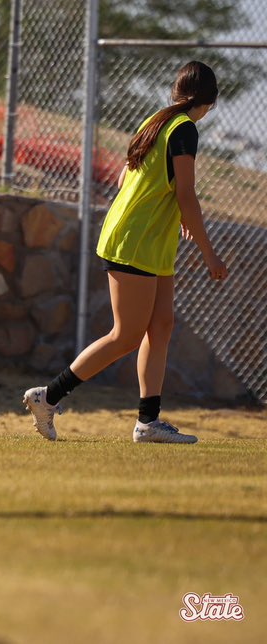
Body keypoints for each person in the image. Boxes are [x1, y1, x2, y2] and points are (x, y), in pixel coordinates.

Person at [23, 61, 229, 444]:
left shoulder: (157, 120)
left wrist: (168, 208)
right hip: (134, 239)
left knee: (162, 325)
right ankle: (47, 397)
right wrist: (209, 254)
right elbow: (185, 192)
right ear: (211, 103)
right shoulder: (183, 129)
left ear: (177, 92)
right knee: (127, 335)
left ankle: (148, 424)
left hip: (151, 241)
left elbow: (126, 177)